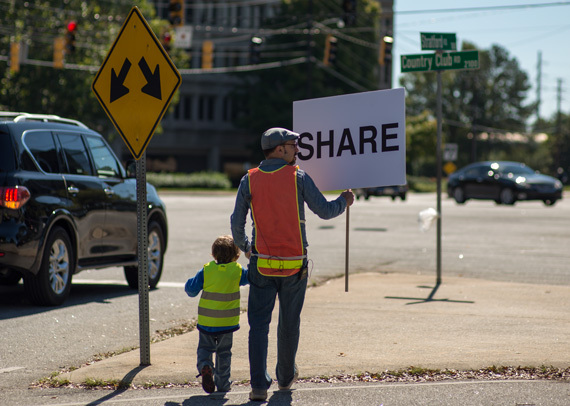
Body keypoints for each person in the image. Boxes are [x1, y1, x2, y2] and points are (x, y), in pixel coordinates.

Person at [230, 127, 354, 401]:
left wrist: (247, 249)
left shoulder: (249, 180)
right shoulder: (298, 177)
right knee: (289, 323)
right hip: (294, 266)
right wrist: (344, 201)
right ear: (279, 149)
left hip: (261, 265)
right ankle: (285, 379)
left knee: (258, 326)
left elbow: (236, 223)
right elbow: (324, 210)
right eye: (293, 144)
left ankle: (258, 386)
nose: (298, 148)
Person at [184, 235, 249, 394]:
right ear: (236, 256)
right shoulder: (237, 271)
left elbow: (191, 290)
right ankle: (223, 384)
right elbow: (252, 277)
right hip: (227, 323)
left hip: (207, 322)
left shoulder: (206, 270)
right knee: (224, 353)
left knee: (205, 348)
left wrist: (188, 283)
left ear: (213, 254)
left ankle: (205, 365)